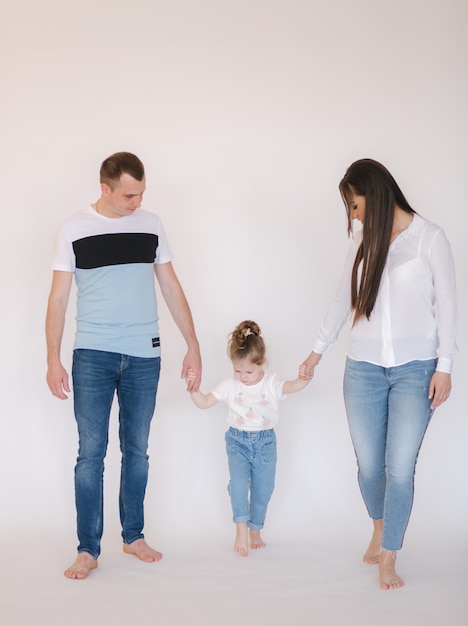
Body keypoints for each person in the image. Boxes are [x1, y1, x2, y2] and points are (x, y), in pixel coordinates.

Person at [301, 158, 457, 590]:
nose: (352, 215)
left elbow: (447, 307)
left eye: (354, 205)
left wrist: (444, 367)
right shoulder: (362, 237)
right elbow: (342, 298)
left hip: (416, 369)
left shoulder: (430, 239)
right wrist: (316, 353)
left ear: (376, 193)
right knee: (369, 466)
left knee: (399, 467)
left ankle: (390, 554)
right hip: (363, 368)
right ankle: (379, 524)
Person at [45, 151, 202, 579]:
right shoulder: (73, 229)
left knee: (137, 451)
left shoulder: (151, 224)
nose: (137, 202)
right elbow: (58, 299)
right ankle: (87, 549)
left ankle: (132, 536)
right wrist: (52, 359)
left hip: (144, 354)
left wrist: (193, 345)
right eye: (129, 195)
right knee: (90, 455)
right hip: (92, 354)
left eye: (141, 193)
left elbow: (170, 285)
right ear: (105, 188)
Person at [186, 320, 310, 556]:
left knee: (264, 490)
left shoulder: (271, 383)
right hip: (237, 443)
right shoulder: (229, 385)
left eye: (248, 371)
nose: (242, 377)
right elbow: (204, 403)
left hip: (265, 443)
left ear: (261, 364)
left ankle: (255, 529)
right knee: (239, 486)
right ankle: (241, 530)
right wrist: (192, 387)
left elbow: (294, 386)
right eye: (237, 370)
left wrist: (304, 376)